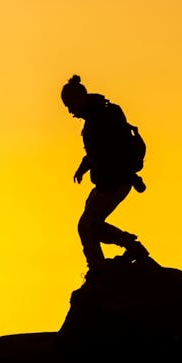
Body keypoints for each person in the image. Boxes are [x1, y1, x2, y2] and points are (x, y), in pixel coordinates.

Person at [61, 74, 149, 274]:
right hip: (109, 181)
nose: (70, 110)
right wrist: (84, 167)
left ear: (80, 98)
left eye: (70, 104)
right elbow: (97, 152)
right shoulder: (98, 116)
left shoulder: (102, 117)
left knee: (87, 225)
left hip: (116, 181)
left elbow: (109, 150)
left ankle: (99, 269)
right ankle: (128, 248)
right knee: (90, 225)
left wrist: (92, 166)